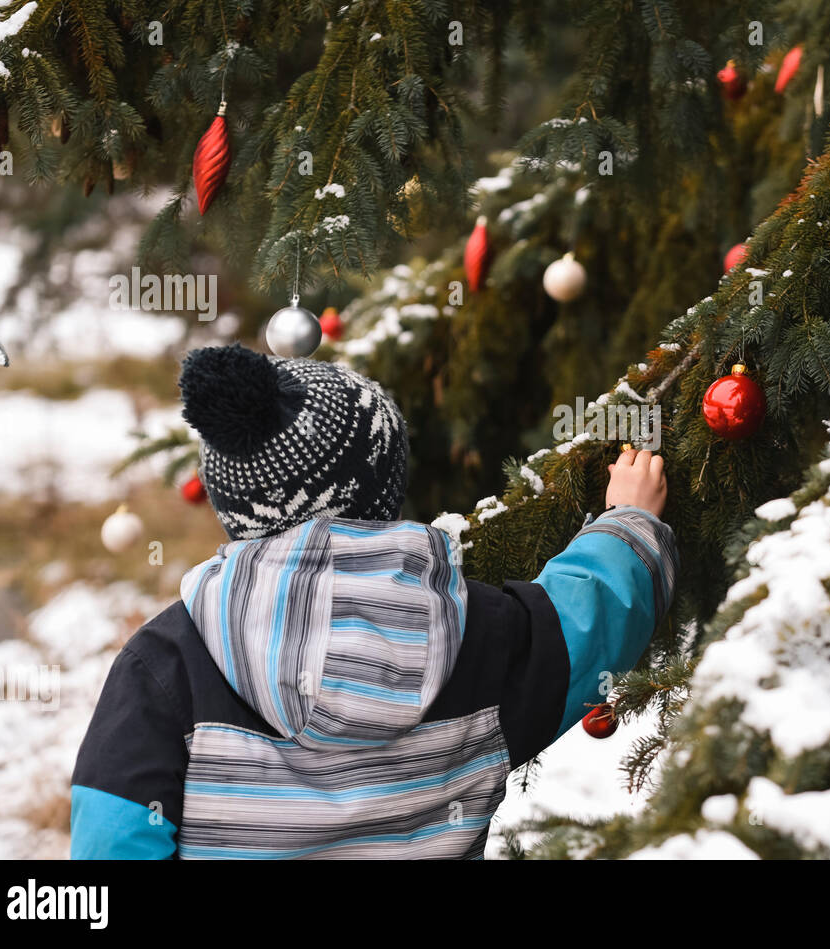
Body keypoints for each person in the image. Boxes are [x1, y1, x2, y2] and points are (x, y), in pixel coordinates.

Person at [69, 343, 676, 859]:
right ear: (383, 485)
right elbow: (587, 627)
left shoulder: (167, 660)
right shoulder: (478, 632)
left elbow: (112, 839)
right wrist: (627, 524)